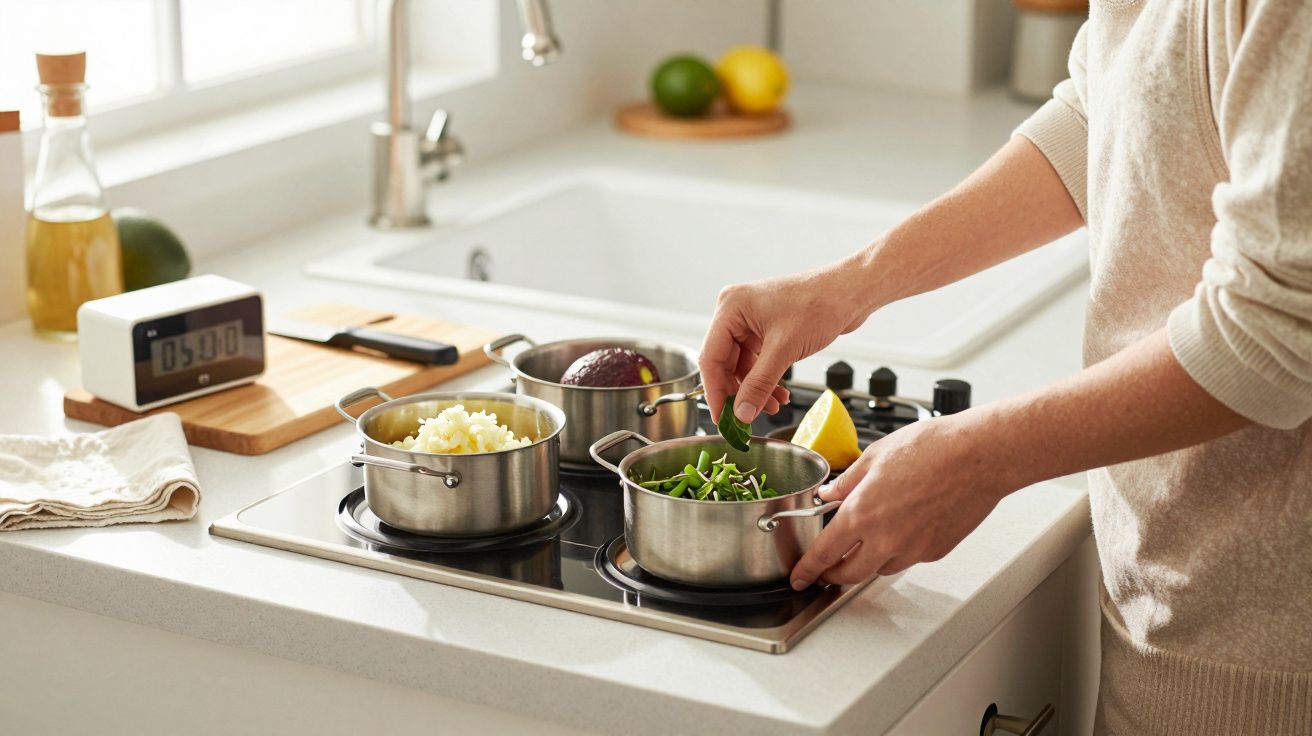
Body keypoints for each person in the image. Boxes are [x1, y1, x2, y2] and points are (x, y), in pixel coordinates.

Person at [699, 1, 1311, 733]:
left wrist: (979, 457)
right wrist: (851, 284)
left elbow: (1276, 331)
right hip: (1178, 606)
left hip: (1272, 661)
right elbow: (1112, 107)